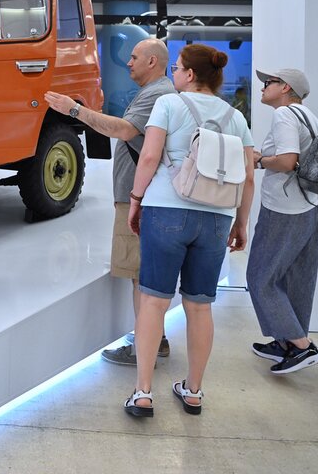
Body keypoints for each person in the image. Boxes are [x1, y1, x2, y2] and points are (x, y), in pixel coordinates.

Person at [124, 44, 254, 417]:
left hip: (165, 208)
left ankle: (143, 393)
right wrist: (241, 223)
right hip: (216, 217)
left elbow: (149, 157)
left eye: (178, 68)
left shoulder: (169, 103)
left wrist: (136, 199)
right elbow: (247, 178)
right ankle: (194, 390)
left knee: (153, 302)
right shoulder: (236, 117)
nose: (175, 74)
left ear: (190, 74)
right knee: (199, 306)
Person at [45, 38, 176, 366]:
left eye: (134, 57)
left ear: (152, 62)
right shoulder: (155, 93)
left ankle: (144, 347)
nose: (128, 63)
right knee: (141, 272)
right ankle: (154, 340)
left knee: (139, 273)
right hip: (139, 197)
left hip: (139, 199)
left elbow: (123, 130)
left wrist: (74, 110)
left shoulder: (158, 94)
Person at [246, 68, 318, 374]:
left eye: (271, 82)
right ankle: (287, 343)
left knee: (260, 277)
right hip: (313, 204)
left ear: (286, 88)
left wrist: (258, 159)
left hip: (286, 207)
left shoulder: (284, 116)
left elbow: (288, 161)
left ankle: (303, 346)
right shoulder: (309, 115)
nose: (264, 86)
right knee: (297, 278)